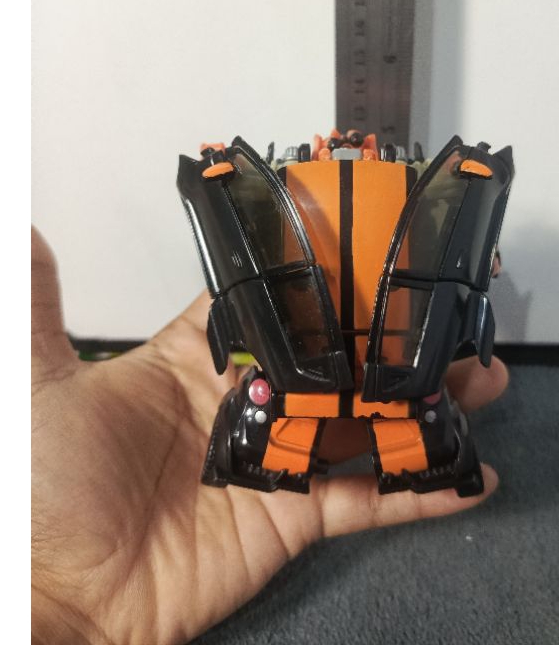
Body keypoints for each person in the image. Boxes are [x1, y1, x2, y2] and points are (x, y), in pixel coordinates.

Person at [31, 228, 509, 645]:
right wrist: (58, 602)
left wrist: (62, 607)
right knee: (282, 413)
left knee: (412, 416)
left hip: (382, 366)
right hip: (306, 372)